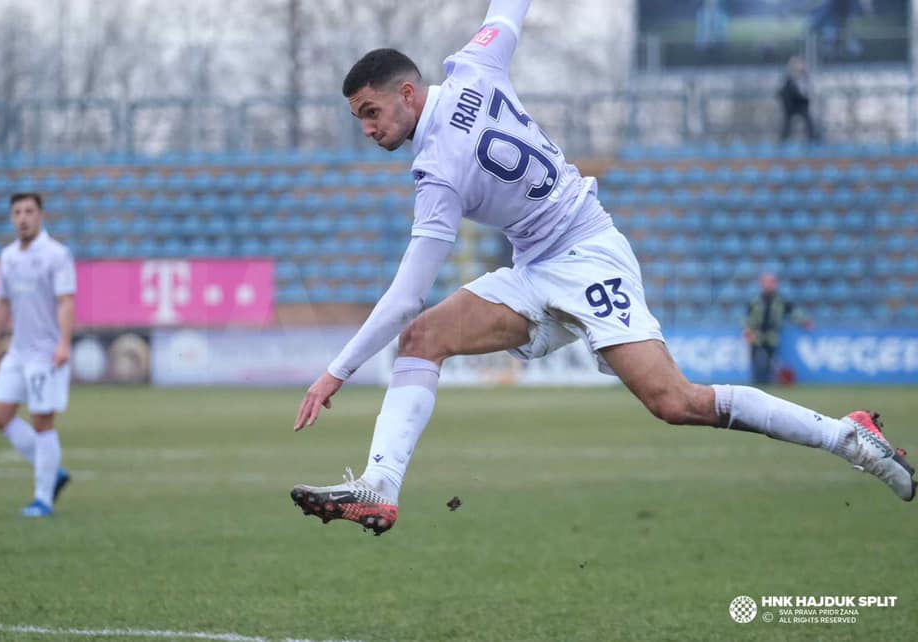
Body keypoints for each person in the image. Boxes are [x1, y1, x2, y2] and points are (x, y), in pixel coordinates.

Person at [291, 0, 915, 536]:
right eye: (359, 119)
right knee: (423, 339)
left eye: (371, 112)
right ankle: (379, 484)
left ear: (407, 93)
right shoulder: (474, 65)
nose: (368, 128)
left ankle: (849, 436)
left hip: (587, 255)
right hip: (533, 263)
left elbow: (405, 294)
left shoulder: (436, 175)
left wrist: (333, 373)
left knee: (674, 401)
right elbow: (508, 8)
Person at [0, 193, 75, 518]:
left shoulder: (57, 255)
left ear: (41, 215)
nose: (23, 217)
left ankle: (43, 498)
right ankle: (53, 470)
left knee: (42, 420)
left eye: (29, 211)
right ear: (11, 218)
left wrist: (63, 343)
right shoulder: (7, 257)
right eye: (17, 212)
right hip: (18, 350)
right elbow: (3, 304)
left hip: (45, 352)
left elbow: (65, 301)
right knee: (0, 416)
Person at [744, 273, 812, 385]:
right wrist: (747, 331)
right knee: (756, 362)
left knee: (770, 363)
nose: (767, 285)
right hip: (756, 336)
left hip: (772, 336)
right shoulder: (755, 300)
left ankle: (767, 385)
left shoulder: (781, 301)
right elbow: (748, 318)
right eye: (765, 282)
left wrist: (804, 322)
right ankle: (756, 385)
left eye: (770, 282)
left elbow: (793, 314)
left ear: (775, 284)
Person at [778, 55, 819, 142]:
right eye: (795, 64)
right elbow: (782, 92)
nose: (798, 66)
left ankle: (814, 141)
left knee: (809, 122)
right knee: (787, 125)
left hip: (801, 105)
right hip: (790, 105)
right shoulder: (788, 78)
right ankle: (783, 143)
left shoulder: (806, 77)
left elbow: (808, 91)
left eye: (800, 64)